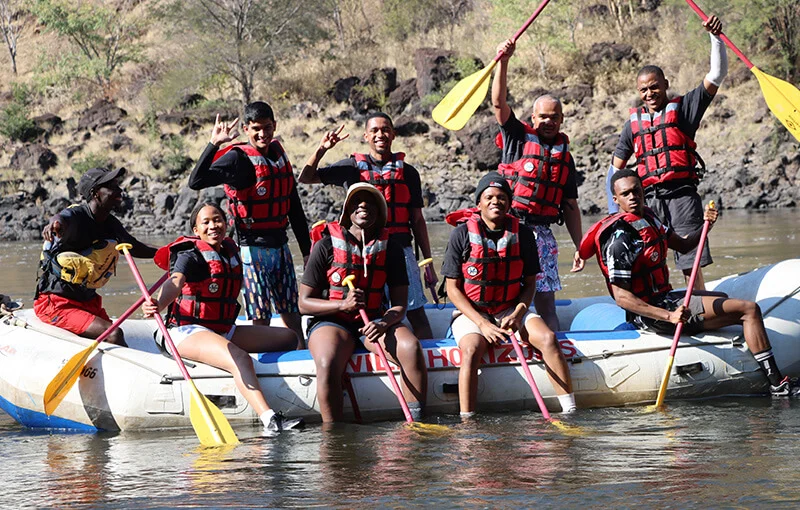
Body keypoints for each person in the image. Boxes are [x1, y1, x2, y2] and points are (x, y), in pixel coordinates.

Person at [580, 170, 798, 397]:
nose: (633, 197)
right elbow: (622, 298)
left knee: (722, 297)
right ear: (616, 200)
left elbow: (683, 246)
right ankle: (778, 385)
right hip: (651, 315)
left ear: (643, 190)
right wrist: (669, 316)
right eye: (626, 194)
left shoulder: (648, 217)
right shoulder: (619, 240)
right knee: (749, 310)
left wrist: (706, 226)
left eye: (636, 190)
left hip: (664, 299)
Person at [141, 202, 305, 434]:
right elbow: (175, 282)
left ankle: (279, 383)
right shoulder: (190, 255)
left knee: (288, 337)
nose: (213, 226)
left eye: (217, 219)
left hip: (222, 329)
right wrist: (158, 303)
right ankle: (270, 420)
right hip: (186, 331)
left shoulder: (229, 252)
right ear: (196, 230)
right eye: (205, 222)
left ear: (226, 224)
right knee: (240, 357)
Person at [606, 15, 727, 291]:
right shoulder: (632, 125)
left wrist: (715, 37)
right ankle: (663, 309)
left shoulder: (684, 109)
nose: (650, 94)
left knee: (689, 260)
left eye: (654, 87)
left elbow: (716, 75)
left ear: (665, 84)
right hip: (649, 201)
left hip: (682, 195)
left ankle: (697, 304)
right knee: (651, 259)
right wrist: (615, 211)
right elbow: (615, 171)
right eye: (644, 90)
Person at [442, 172, 576, 418]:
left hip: (511, 308)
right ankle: (467, 419)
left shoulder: (523, 234)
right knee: (472, 349)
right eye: (489, 197)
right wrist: (482, 323)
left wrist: (518, 313)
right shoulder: (461, 235)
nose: (496, 202)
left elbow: (530, 283)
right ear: (479, 203)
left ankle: (570, 410)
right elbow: (452, 288)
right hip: (473, 313)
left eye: (502, 197)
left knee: (548, 339)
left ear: (509, 202)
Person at [298, 113, 436, 339]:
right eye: (374, 131)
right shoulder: (351, 167)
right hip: (360, 253)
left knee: (416, 313)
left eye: (385, 130)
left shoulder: (409, 173)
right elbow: (306, 177)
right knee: (367, 306)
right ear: (366, 136)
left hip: (399, 249)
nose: (380, 135)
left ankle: (428, 361)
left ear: (393, 134)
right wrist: (322, 149)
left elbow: (418, 220)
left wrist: (428, 261)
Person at [298, 183, 428, 423]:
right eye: (357, 202)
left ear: (380, 213)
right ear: (347, 211)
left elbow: (399, 305)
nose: (363, 206)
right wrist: (341, 305)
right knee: (327, 362)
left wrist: (384, 323)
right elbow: (304, 304)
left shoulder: (392, 249)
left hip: (374, 322)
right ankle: (334, 437)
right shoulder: (325, 245)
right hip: (332, 322)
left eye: (370, 203)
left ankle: (417, 423)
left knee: (411, 347)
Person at [188, 102, 310, 343]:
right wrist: (215, 143)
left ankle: (302, 356)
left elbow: (294, 207)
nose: (262, 134)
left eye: (267, 127)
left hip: (281, 248)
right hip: (251, 251)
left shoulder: (278, 155)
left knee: (293, 314)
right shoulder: (237, 158)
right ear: (246, 129)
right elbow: (196, 180)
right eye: (256, 128)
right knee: (260, 316)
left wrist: (306, 251)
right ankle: (265, 364)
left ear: (274, 126)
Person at [491, 38, 584, 332]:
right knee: (503, 294)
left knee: (546, 303)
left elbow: (570, 205)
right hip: (509, 228)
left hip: (542, 234)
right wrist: (503, 62)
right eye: (543, 116)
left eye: (554, 117)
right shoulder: (517, 137)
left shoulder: (564, 157)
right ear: (533, 118)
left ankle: (553, 345)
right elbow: (498, 103)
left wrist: (580, 246)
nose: (549, 121)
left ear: (562, 119)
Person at [35, 167, 157, 346]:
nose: (119, 190)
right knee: (114, 334)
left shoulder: (111, 224)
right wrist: (54, 224)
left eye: (117, 185)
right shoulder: (76, 215)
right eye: (111, 186)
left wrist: (170, 251)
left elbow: (136, 247)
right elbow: (60, 218)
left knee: (114, 337)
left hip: (88, 301)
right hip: (55, 304)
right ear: (95, 193)